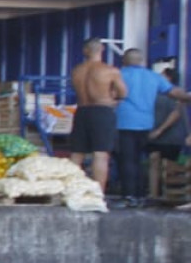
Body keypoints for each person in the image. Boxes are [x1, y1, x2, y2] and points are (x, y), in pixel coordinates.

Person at [117, 47, 191, 203]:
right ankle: (140, 196)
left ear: (124, 61)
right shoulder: (153, 77)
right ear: (141, 61)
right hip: (145, 125)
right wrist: (187, 97)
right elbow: (174, 92)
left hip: (124, 123)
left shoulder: (118, 75)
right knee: (139, 160)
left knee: (127, 160)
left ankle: (128, 196)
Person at [69, 39, 126, 192]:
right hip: (102, 111)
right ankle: (98, 193)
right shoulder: (110, 70)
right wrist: (113, 98)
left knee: (77, 153)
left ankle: (71, 190)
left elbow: (75, 89)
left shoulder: (76, 70)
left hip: (82, 111)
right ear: (102, 49)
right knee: (100, 154)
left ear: (84, 51)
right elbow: (123, 93)